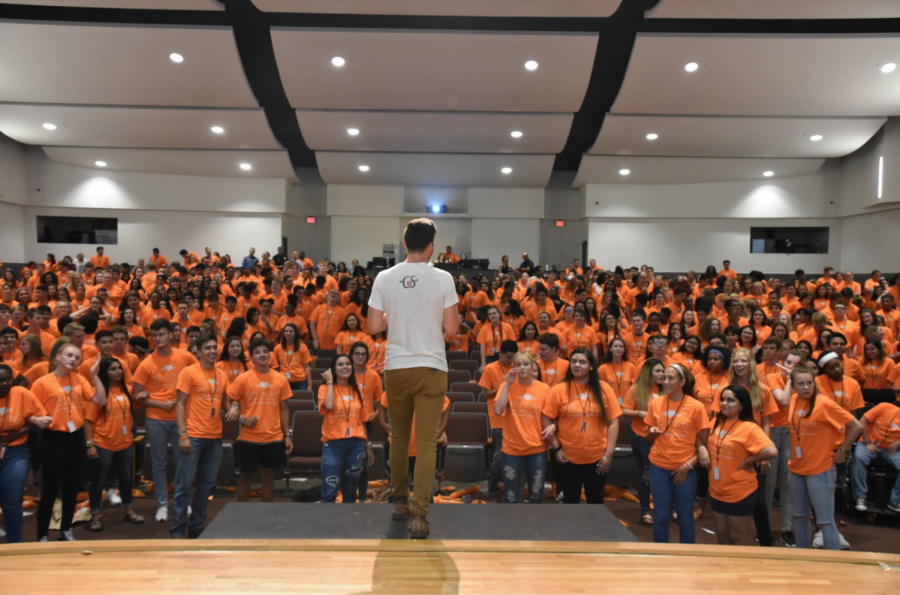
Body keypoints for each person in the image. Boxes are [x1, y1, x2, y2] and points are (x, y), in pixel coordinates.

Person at [367, 218, 458, 539]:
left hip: (396, 367)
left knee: (400, 439)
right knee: (427, 442)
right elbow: (452, 329)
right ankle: (420, 515)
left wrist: (399, 312)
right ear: (432, 245)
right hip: (431, 366)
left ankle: (400, 503)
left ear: (405, 243)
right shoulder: (444, 278)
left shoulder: (384, 277)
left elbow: (374, 326)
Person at [774, 365, 863, 550]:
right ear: (793, 385)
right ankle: (803, 559)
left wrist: (844, 450)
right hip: (797, 468)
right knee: (799, 517)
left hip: (820, 470)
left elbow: (856, 426)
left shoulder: (825, 403)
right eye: (801, 383)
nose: (806, 387)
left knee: (824, 522)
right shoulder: (794, 399)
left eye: (809, 383)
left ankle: (832, 565)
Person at [31, 340, 107, 541]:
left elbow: (100, 400)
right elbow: (28, 410)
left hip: (76, 438)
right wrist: (36, 419)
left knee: (72, 486)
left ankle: (66, 530)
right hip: (53, 439)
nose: (73, 360)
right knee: (51, 489)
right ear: (57, 357)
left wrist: (93, 374)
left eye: (77, 358)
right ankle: (42, 535)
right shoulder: (42, 382)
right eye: (69, 356)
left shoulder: (80, 379)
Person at [131, 320, 198, 522]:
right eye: (155, 335)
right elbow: (135, 395)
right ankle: (161, 504)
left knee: (183, 462)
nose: (158, 338)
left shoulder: (186, 356)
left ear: (171, 335)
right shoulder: (147, 363)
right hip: (156, 418)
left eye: (161, 334)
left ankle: (183, 501)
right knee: (158, 463)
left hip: (181, 418)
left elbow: (199, 378)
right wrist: (159, 404)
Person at [172, 335, 236, 538]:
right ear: (198, 351)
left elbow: (226, 402)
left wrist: (234, 407)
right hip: (193, 436)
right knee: (185, 485)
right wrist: (183, 434)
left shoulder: (221, 374)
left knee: (206, 486)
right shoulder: (188, 372)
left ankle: (197, 525)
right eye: (207, 348)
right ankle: (178, 529)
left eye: (214, 347)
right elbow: (179, 403)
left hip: (215, 436)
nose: (212, 351)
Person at [544, 348, 622, 505]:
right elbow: (546, 418)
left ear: (591, 366)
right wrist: (556, 448)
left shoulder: (604, 388)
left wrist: (608, 454)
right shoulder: (559, 389)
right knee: (570, 503)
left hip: (598, 458)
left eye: (582, 362)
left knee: (595, 503)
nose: (577, 365)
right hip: (567, 458)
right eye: (573, 361)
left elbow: (614, 422)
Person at [645, 364, 710, 544]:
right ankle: (660, 557)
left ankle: (687, 559)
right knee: (661, 517)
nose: (665, 382)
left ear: (682, 382)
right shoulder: (656, 403)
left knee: (685, 518)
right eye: (664, 378)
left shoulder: (696, 407)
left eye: (670, 378)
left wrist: (687, 466)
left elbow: (705, 443)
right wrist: (652, 432)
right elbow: (649, 438)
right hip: (659, 466)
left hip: (685, 468)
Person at [707, 385, 777, 545]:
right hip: (717, 489)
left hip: (739, 491)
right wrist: (702, 449)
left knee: (736, 540)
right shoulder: (716, 422)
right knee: (722, 538)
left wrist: (749, 460)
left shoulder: (749, 427)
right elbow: (702, 437)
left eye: (730, 400)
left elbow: (771, 451)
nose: (724, 403)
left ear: (742, 404)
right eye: (723, 399)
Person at [228, 337, 293, 502]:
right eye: (258, 352)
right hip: (248, 438)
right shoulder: (243, 378)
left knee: (268, 476)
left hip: (273, 437)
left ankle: (266, 515)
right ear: (251, 357)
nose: (262, 355)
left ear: (270, 354)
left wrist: (288, 435)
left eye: (265, 351)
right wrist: (241, 418)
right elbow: (227, 400)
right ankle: (242, 513)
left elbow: (284, 408)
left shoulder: (280, 379)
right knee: (245, 477)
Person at [84, 357, 143, 532]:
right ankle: (94, 516)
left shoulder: (127, 390)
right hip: (103, 443)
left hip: (124, 442)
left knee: (125, 479)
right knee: (99, 480)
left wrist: (145, 394)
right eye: (113, 369)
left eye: (119, 368)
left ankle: (129, 510)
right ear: (104, 372)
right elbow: (87, 421)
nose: (118, 371)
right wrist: (90, 445)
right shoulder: (98, 392)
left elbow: (140, 398)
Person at [0, 364, 51, 543]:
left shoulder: (22, 393)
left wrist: (16, 434)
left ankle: (15, 546)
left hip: (15, 452)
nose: (4, 384)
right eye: (0, 381)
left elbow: (36, 419)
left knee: (13, 503)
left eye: (7, 380)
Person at [493, 352, 552, 503]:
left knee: (537, 495)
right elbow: (498, 411)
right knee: (510, 495)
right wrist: (507, 384)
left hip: (537, 450)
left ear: (532, 366)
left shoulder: (544, 388)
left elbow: (552, 416)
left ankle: (535, 526)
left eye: (526, 364)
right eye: (518, 365)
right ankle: (511, 526)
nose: (522, 368)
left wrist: (553, 428)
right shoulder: (506, 387)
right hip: (512, 450)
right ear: (513, 367)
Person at [319, 354, 374, 503]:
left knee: (350, 492)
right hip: (333, 445)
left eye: (347, 364)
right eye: (340, 364)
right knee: (330, 491)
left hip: (356, 445)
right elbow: (329, 406)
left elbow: (362, 420)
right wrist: (330, 382)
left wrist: (368, 445)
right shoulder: (325, 388)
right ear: (334, 369)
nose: (345, 367)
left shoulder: (358, 391)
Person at [621, 358, 665, 525]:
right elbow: (623, 410)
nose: (662, 375)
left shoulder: (666, 390)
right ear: (648, 373)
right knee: (646, 474)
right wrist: (639, 413)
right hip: (642, 437)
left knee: (667, 473)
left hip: (663, 438)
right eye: (658, 371)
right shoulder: (636, 389)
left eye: (663, 371)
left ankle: (671, 508)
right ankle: (645, 510)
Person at [478, 340, 517, 502]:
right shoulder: (490, 368)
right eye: (507, 357)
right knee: (498, 456)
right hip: (498, 418)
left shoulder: (516, 368)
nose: (510, 361)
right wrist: (504, 386)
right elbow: (486, 394)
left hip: (516, 418)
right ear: (500, 354)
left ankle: (510, 489)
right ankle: (492, 489)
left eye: (512, 358)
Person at [852, 401, 900, 512]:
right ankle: (860, 496)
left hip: (892, 450)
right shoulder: (884, 407)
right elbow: (862, 421)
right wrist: (868, 442)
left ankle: (895, 501)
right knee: (859, 457)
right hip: (869, 444)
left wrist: (899, 444)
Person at [272, 323, 312, 390]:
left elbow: (307, 367)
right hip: (284, 380)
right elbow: (274, 366)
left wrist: (310, 386)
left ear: (295, 333)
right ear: (283, 333)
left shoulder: (302, 347)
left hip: (300, 380)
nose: (288, 333)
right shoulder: (278, 348)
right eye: (286, 331)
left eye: (291, 331)